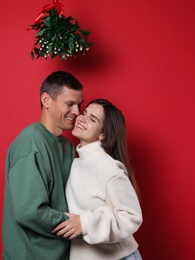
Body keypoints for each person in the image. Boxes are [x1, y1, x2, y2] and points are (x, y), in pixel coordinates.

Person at [2, 70, 84, 260]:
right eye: (70, 104)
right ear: (46, 100)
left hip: (63, 254)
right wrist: (78, 225)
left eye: (79, 105)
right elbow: (29, 212)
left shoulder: (67, 147)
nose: (77, 112)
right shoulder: (31, 142)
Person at [52, 99, 143, 260]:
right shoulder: (75, 163)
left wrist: (85, 223)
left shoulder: (108, 168)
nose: (81, 118)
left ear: (103, 134)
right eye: (84, 113)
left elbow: (132, 217)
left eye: (92, 119)